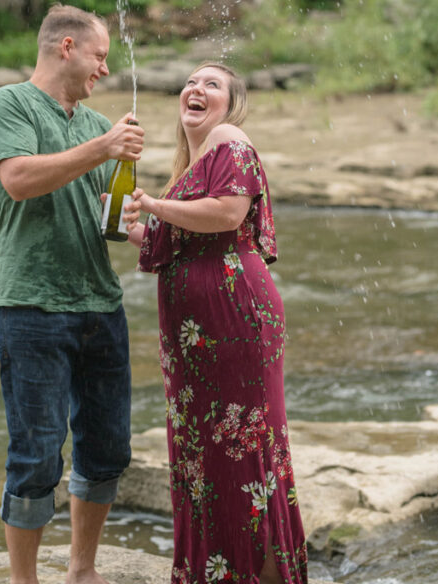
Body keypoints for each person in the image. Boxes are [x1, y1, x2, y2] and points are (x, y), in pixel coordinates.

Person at [0, 3, 144, 584]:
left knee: (107, 449)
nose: (105, 69)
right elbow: (20, 181)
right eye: (100, 55)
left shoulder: (100, 127)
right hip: (32, 307)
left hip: (102, 305)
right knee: (37, 455)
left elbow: (114, 226)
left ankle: (81, 569)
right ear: (66, 47)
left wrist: (158, 220)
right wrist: (104, 151)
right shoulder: (8, 104)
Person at [124, 62, 308, 584]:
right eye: (190, 82)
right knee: (204, 458)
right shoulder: (191, 167)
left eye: (212, 85)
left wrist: (155, 205)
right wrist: (136, 226)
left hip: (234, 323)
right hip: (194, 336)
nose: (195, 89)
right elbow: (179, 244)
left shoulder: (229, 138)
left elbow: (228, 215)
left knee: (240, 456)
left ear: (230, 105)